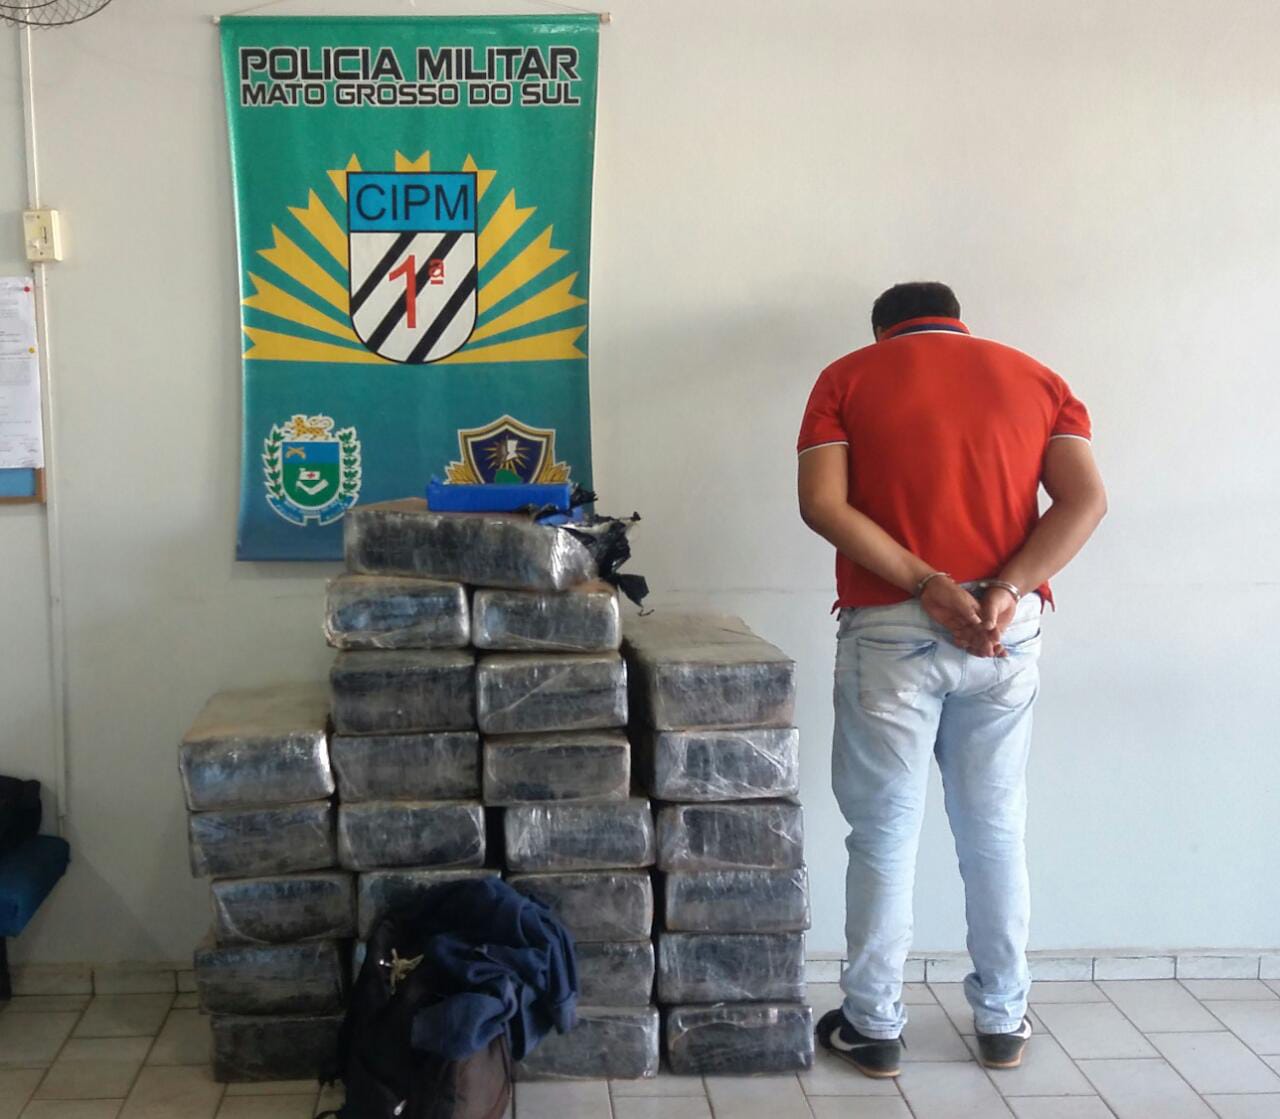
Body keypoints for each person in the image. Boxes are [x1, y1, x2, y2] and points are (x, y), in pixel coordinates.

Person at [795, 281, 1106, 1077]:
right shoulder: (1039, 379)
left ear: (882, 330)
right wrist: (1007, 587)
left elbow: (822, 505)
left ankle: (874, 1025)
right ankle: (1003, 1018)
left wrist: (926, 582)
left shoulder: (846, 378)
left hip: (890, 626)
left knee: (884, 833)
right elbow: (1085, 500)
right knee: (994, 827)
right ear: (957, 321)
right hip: (1005, 629)